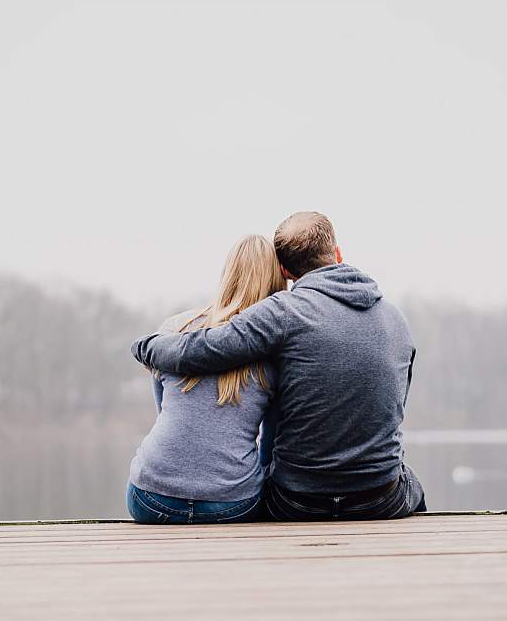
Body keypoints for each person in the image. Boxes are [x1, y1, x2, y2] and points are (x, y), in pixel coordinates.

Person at [132, 211, 425, 522]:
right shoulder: (396, 319)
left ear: (285, 269)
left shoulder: (283, 312)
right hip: (379, 498)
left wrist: (144, 346)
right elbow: (395, 409)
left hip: (297, 502)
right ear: (338, 254)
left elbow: (202, 350)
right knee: (413, 485)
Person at [126, 234, 285, 524]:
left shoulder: (177, 329)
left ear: (227, 274)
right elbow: (270, 445)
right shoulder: (275, 353)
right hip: (233, 504)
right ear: (277, 281)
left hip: (150, 497)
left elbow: (164, 410)